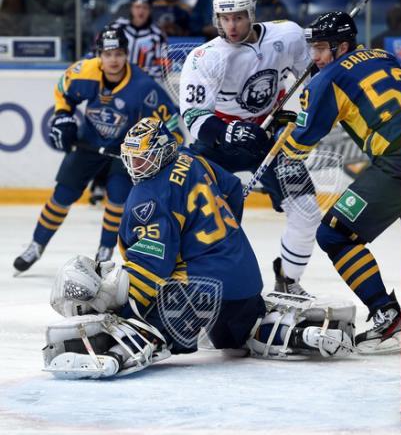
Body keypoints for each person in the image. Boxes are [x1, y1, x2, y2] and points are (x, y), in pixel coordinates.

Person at [41, 118, 355, 379]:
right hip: (244, 278)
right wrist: (221, 239)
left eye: (143, 157)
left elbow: (151, 269)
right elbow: (232, 188)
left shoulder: (147, 197)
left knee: (146, 325)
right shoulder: (193, 160)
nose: (136, 165)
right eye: (132, 158)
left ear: (161, 152)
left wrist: (122, 309)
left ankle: (113, 354)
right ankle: (302, 335)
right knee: (244, 333)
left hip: (199, 290)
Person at [280, 12, 401, 354]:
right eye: (312, 49)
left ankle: (387, 314)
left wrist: (281, 133)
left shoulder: (328, 79)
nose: (316, 57)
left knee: (334, 233)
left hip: (398, 162)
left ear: (342, 46)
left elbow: (302, 142)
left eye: (322, 49)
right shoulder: (383, 56)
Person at [179, 0, 322, 296]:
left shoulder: (288, 35)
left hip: (267, 136)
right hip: (218, 142)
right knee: (194, 213)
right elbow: (194, 117)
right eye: (224, 18)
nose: (231, 26)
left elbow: (313, 79)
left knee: (307, 210)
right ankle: (192, 284)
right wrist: (231, 131)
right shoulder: (204, 57)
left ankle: (288, 279)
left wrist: (296, 114)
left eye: (238, 17)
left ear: (252, 12)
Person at [13, 25, 179, 274]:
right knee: (62, 195)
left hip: (125, 151)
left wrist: (154, 149)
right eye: (108, 54)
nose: (113, 60)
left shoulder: (144, 87)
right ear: (99, 54)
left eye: (119, 53)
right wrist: (62, 116)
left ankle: (104, 251)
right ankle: (36, 244)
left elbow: (171, 122)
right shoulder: (85, 71)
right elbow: (62, 90)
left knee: (117, 199)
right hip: (88, 143)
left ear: (126, 55)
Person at [88, 0, 172, 206]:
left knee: (132, 141)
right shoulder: (117, 28)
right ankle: (98, 182)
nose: (140, 11)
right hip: (113, 91)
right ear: (132, 8)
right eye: (137, 7)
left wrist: (143, 85)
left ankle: (128, 186)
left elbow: (163, 69)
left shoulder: (157, 35)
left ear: (149, 9)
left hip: (140, 97)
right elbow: (96, 54)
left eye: (144, 7)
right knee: (106, 133)